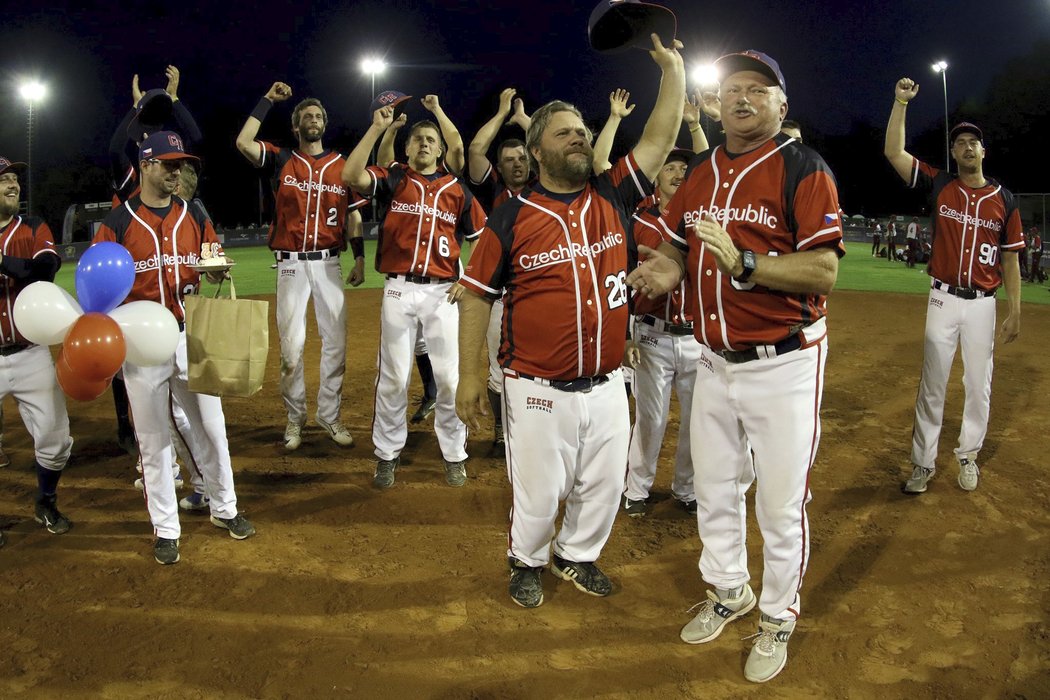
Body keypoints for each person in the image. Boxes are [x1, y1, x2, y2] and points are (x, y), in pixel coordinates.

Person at [627, 49, 843, 683]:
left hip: (784, 362)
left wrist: (745, 265)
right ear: (717, 104)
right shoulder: (698, 170)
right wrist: (661, 271)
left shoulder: (803, 167)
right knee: (716, 491)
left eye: (758, 88)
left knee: (779, 503)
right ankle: (729, 591)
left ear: (782, 105)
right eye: (732, 88)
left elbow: (824, 270)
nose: (742, 98)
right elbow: (673, 244)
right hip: (713, 359)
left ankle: (777, 614)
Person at [455, 33, 685, 608]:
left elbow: (659, 135)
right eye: (565, 131)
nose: (580, 136)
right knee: (540, 491)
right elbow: (477, 296)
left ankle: (576, 556)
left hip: (608, 381)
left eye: (583, 129)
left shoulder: (613, 195)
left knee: (604, 485)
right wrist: (466, 375)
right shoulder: (508, 219)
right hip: (535, 384)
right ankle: (526, 558)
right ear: (538, 152)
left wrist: (673, 71)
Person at [95, 131, 256, 564]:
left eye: (179, 164)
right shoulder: (117, 224)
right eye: (166, 163)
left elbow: (213, 259)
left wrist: (218, 269)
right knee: (153, 440)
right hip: (141, 346)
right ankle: (167, 528)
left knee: (212, 427)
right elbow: (98, 290)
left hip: (189, 336)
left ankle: (226, 508)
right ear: (145, 166)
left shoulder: (193, 216)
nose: (175, 171)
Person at [885, 79, 1024, 495]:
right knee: (934, 383)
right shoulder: (940, 184)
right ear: (953, 152)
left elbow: (1012, 258)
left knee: (978, 383)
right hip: (943, 298)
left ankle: (968, 455)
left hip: (983, 303)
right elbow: (894, 152)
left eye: (973, 143)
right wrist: (900, 104)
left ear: (984, 151)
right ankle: (923, 463)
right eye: (960, 142)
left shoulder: (1005, 199)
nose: (967, 147)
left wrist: (1015, 309)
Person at [342, 96, 486, 489]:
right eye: (417, 138)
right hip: (399, 290)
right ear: (406, 148)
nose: (424, 143)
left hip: (443, 294)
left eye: (430, 139)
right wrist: (376, 128)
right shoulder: (393, 179)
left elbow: (483, 240)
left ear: (440, 150)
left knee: (449, 379)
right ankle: (387, 454)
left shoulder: (457, 189)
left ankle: (454, 454)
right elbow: (350, 175)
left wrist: (468, 278)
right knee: (393, 377)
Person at [236, 83, 367, 451]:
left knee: (336, 344)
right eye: (307, 116)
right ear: (296, 126)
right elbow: (243, 143)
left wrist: (358, 256)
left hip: (328, 263)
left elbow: (354, 217)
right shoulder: (281, 160)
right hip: (291, 266)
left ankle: (329, 414)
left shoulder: (342, 167)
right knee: (291, 349)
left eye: (319, 116)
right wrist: (266, 101)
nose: (314, 120)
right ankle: (295, 418)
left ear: (325, 124)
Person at [622, 90, 714, 517]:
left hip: (696, 336)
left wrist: (696, 126)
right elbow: (619, 280)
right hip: (651, 336)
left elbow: (712, 167)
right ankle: (637, 489)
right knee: (650, 421)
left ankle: (686, 488)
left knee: (698, 423)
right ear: (656, 175)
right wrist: (625, 334)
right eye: (670, 166)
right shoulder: (637, 219)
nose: (679, 171)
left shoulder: (701, 217)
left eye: (685, 167)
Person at [0, 156, 75, 543]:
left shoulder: (31, 226)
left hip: (30, 353)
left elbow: (45, 269)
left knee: (55, 438)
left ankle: (46, 500)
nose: (13, 185)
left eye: (14, 179)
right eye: (4, 180)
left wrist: (3, 262)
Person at [466, 87, 534, 450]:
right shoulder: (493, 189)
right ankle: (500, 430)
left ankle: (533, 426)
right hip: (500, 291)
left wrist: (525, 120)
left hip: (537, 289)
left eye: (523, 157)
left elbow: (550, 142)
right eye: (509, 159)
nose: (517, 164)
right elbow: (476, 150)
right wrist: (502, 110)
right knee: (497, 366)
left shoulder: (542, 187)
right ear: (501, 165)